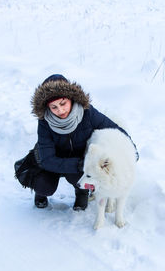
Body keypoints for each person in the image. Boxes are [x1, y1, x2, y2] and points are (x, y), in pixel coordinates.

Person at [31, 74, 138, 210]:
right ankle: (40, 193)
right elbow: (48, 160)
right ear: (47, 108)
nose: (60, 110)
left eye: (63, 103)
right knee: (43, 185)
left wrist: (131, 149)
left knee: (86, 173)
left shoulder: (87, 112)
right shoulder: (44, 122)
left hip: (77, 159)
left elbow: (113, 128)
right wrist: (79, 164)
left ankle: (81, 191)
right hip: (53, 160)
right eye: (54, 107)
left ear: (71, 98)